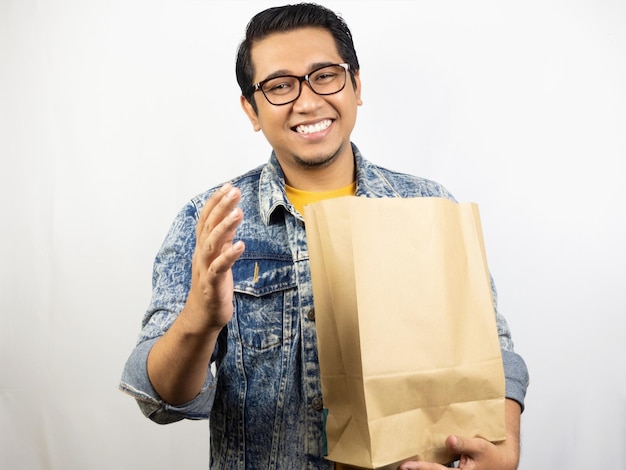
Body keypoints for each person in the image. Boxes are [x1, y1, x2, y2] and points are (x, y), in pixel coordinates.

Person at [120, 3, 529, 469]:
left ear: (356, 85)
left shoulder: (426, 205)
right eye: (279, 86)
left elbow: (493, 352)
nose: (308, 101)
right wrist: (200, 319)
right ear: (251, 110)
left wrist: (504, 443)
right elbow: (161, 400)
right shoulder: (212, 218)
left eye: (325, 75)